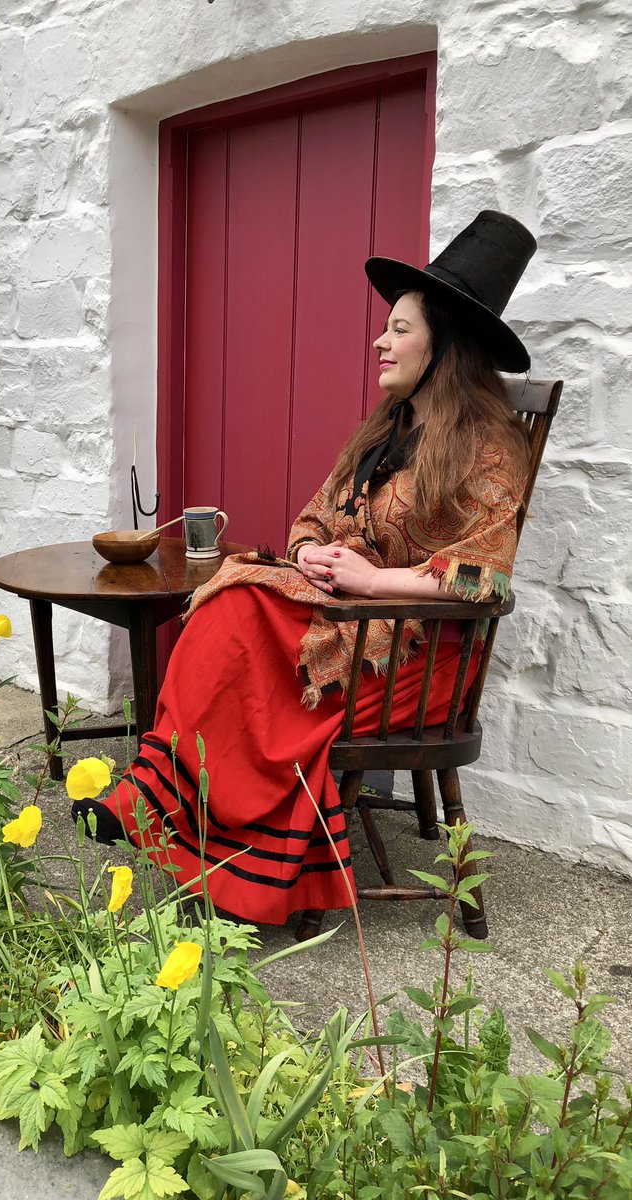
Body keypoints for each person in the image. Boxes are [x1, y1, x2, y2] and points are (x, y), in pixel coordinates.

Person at [74, 211, 537, 927]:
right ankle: (156, 801)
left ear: (446, 345)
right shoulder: (389, 429)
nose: (381, 340)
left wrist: (372, 580)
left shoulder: (491, 448)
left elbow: (483, 578)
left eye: (401, 328)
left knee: (238, 626)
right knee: (227, 608)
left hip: (419, 653)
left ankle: (197, 829)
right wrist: (312, 554)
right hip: (345, 620)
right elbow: (316, 516)